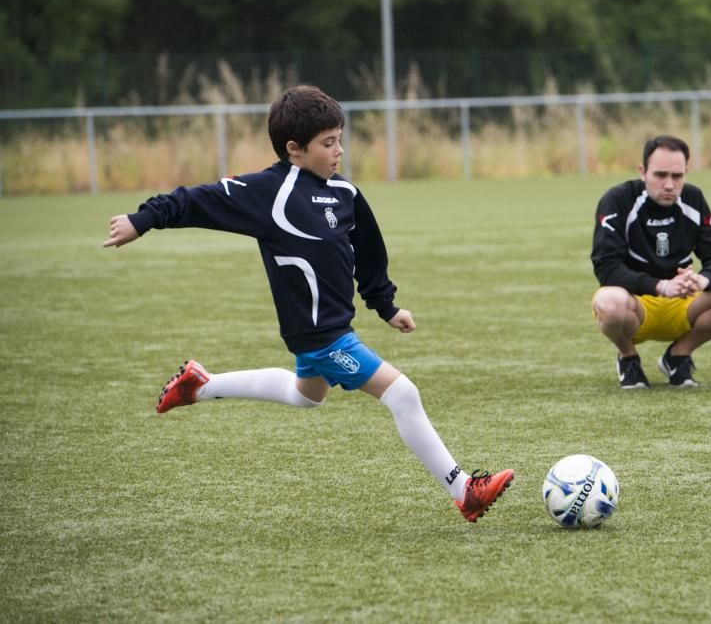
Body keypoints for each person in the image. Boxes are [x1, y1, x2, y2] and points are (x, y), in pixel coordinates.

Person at [102, 85, 513, 522]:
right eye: (328, 143)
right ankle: (463, 488)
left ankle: (200, 384)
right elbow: (192, 201)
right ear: (294, 149)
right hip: (321, 335)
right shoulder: (267, 193)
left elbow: (369, 251)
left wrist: (386, 306)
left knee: (306, 396)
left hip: (333, 328)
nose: (339, 151)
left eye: (340, 139)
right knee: (403, 394)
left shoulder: (345, 194)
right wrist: (141, 220)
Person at [590, 135, 711, 389]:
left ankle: (678, 356)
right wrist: (662, 286)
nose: (669, 185)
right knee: (607, 301)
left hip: (683, 305)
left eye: (677, 176)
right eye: (660, 175)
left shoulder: (693, 199)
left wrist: (702, 280)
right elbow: (606, 267)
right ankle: (628, 357)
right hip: (635, 306)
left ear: (686, 172)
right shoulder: (618, 200)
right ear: (643, 172)